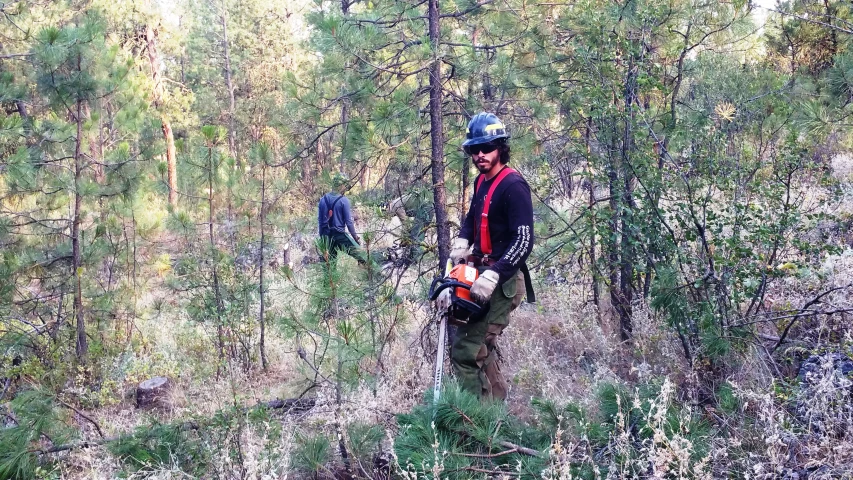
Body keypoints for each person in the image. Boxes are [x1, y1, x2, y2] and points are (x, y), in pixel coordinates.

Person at [448, 112, 535, 402]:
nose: (480, 155)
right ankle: (494, 411)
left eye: (486, 148)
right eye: (475, 149)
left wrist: (495, 272)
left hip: (503, 281)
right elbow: (473, 215)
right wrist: (463, 240)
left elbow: (524, 240)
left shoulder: (514, 186)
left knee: (467, 351)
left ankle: (473, 423)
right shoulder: (481, 183)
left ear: (501, 147)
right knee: (481, 348)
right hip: (480, 274)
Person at [318, 173, 366, 264]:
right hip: (339, 236)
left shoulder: (322, 200)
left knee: (329, 266)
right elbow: (349, 222)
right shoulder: (344, 201)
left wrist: (322, 241)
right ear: (342, 186)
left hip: (326, 236)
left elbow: (320, 223)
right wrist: (355, 238)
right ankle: (378, 274)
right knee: (363, 256)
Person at [388, 183, 433, 264]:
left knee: (415, 236)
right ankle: (418, 257)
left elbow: (406, 224)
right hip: (429, 206)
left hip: (423, 208)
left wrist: (403, 239)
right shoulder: (397, 202)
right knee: (420, 235)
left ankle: (414, 260)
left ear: (388, 208)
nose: (390, 217)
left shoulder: (395, 206)